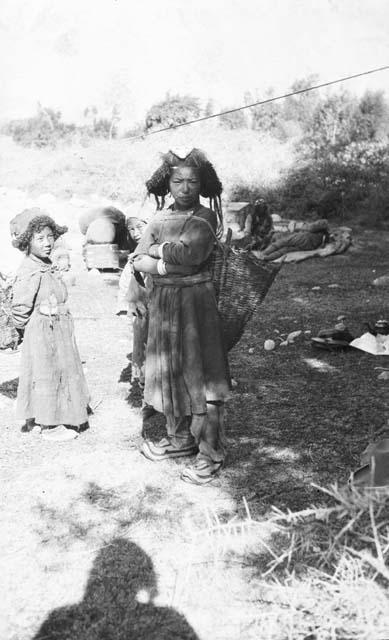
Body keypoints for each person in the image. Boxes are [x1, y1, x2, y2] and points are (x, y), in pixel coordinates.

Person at [131, 148, 231, 485]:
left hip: (196, 304)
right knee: (169, 370)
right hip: (164, 303)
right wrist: (158, 261)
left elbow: (191, 254)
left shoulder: (205, 218)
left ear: (202, 185)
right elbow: (136, 258)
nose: (185, 188)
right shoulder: (158, 219)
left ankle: (211, 453)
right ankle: (179, 439)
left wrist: (157, 256)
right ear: (167, 184)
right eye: (178, 181)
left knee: (203, 374)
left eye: (192, 181)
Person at [11, 209, 90, 442]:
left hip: (57, 329)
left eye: (50, 237)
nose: (47, 243)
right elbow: (20, 309)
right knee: (46, 374)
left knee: (60, 371)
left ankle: (45, 415)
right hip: (42, 332)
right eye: (40, 239)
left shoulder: (46, 264)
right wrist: (34, 331)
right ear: (27, 242)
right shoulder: (29, 271)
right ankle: (49, 424)